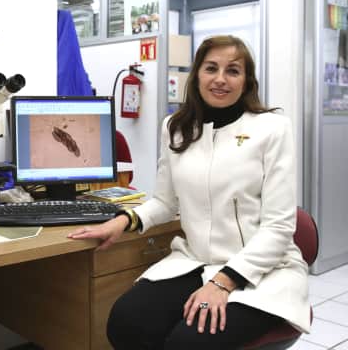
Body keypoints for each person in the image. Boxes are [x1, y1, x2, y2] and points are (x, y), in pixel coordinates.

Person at [68, 35, 310, 349]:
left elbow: (279, 227)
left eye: (233, 70)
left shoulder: (272, 129)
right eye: (211, 68)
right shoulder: (176, 128)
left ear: (247, 81)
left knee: (189, 342)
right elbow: (165, 202)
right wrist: (123, 221)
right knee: (126, 323)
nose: (220, 79)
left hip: (262, 270)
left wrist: (222, 283)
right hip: (196, 261)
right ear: (196, 75)